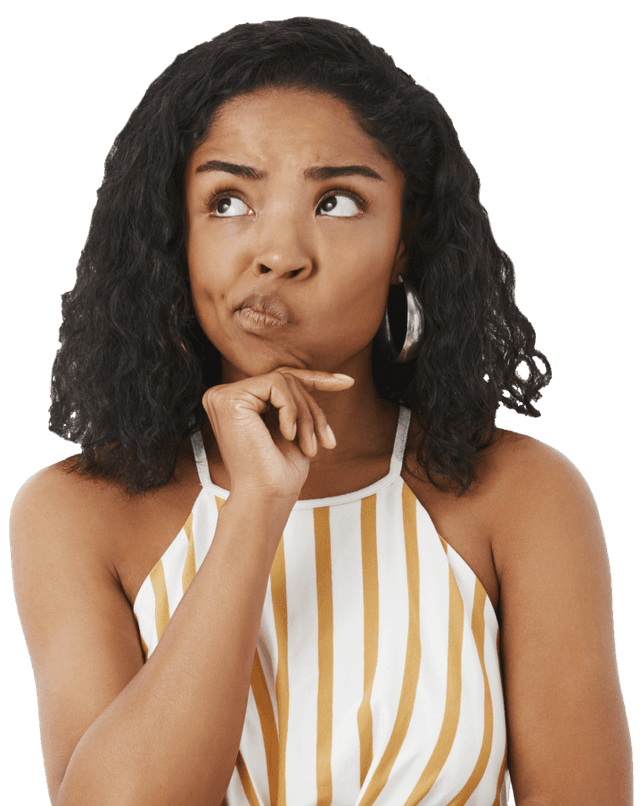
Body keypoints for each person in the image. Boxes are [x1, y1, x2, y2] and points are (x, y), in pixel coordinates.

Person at [9, 16, 632, 806]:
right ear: (174, 235)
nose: (278, 253)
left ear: (405, 241)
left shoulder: (523, 496)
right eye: (227, 200)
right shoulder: (74, 512)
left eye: (336, 202)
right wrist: (255, 508)